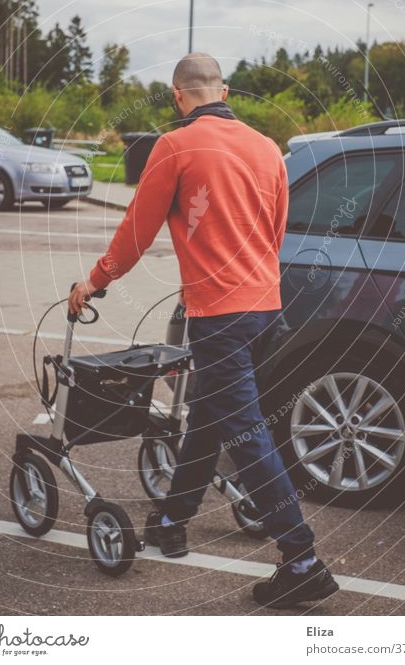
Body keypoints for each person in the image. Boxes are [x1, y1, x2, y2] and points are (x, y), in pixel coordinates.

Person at [69, 52, 339, 609]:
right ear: (226, 91)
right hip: (266, 308)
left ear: (177, 96)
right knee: (211, 420)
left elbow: (136, 232)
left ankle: (303, 559)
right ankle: (172, 520)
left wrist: (93, 283)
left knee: (245, 433)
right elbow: (276, 229)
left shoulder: (175, 146)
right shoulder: (268, 148)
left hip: (219, 314)